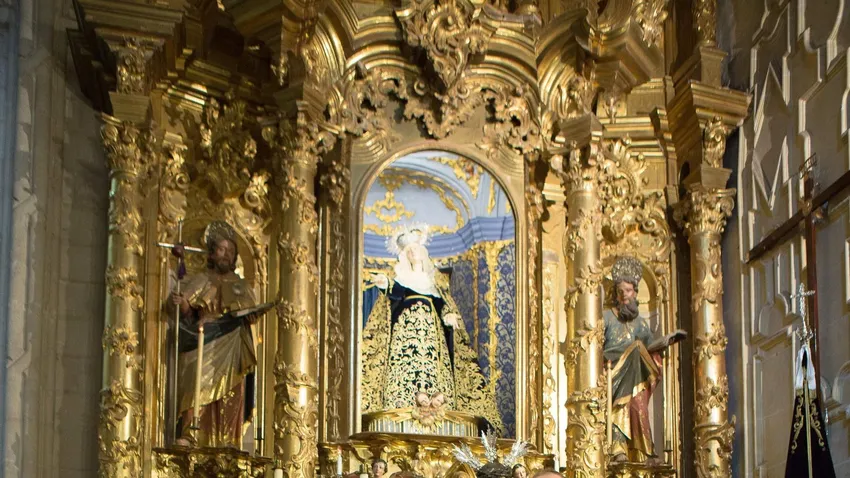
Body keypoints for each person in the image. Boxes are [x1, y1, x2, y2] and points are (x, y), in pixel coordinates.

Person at [360, 224, 501, 431]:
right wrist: (385, 283)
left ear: (422, 251)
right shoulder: (400, 278)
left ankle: (436, 403)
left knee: (435, 370)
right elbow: (396, 293)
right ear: (404, 256)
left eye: (415, 249)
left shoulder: (434, 282)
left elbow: (442, 305)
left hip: (432, 339)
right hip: (404, 337)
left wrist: (449, 316)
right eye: (408, 251)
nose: (412, 253)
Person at [169, 220, 259, 448]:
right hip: (204, 339)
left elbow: (250, 312)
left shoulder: (241, 285)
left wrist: (249, 315)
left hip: (233, 342)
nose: (226, 254)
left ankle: (228, 439)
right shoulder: (202, 279)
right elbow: (187, 311)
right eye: (221, 249)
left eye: (230, 251)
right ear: (211, 253)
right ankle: (191, 434)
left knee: (231, 391)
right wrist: (183, 304)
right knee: (196, 385)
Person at [604, 256, 685, 464]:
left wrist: (665, 342)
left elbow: (649, 347)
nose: (625, 295)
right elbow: (594, 345)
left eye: (628, 290)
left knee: (637, 406)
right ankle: (617, 447)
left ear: (635, 293)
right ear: (616, 294)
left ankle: (640, 451)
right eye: (621, 291)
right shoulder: (607, 317)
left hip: (635, 375)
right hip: (612, 374)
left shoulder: (640, 324)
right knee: (620, 404)